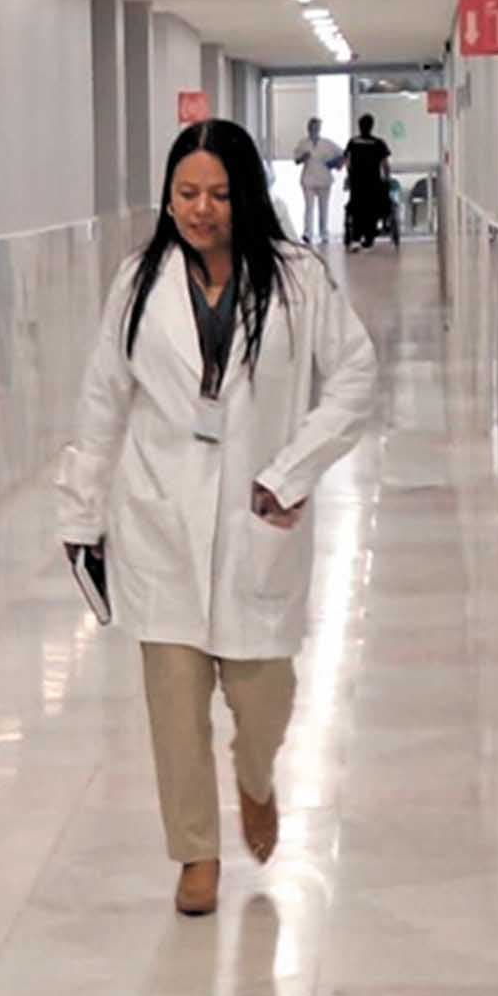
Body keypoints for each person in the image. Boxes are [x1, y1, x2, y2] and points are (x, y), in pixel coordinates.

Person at [55, 118, 377, 917]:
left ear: (247, 197)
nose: (201, 210)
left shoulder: (297, 279)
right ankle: (195, 853)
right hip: (158, 517)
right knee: (174, 704)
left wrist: (290, 472)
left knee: (264, 698)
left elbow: (355, 377)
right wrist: (81, 511)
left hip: (254, 515)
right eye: (186, 193)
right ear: (168, 196)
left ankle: (255, 776)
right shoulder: (138, 282)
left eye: (219, 195)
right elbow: (103, 399)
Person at [340, 114, 397, 250]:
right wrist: (387, 178)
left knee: (357, 207)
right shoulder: (378, 143)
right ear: (371, 126)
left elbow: (347, 161)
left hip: (357, 181)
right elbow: (385, 164)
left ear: (359, 126)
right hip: (373, 181)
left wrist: (350, 175)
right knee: (372, 207)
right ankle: (369, 236)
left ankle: (356, 236)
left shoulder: (353, 142)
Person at [289, 117, 341, 247]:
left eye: (317, 127)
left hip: (324, 179)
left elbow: (342, 154)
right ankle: (308, 233)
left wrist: (335, 164)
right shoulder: (303, 143)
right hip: (308, 179)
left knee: (324, 208)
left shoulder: (327, 143)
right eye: (312, 127)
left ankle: (324, 233)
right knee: (309, 207)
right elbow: (296, 160)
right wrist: (303, 157)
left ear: (320, 128)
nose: (314, 129)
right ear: (308, 128)